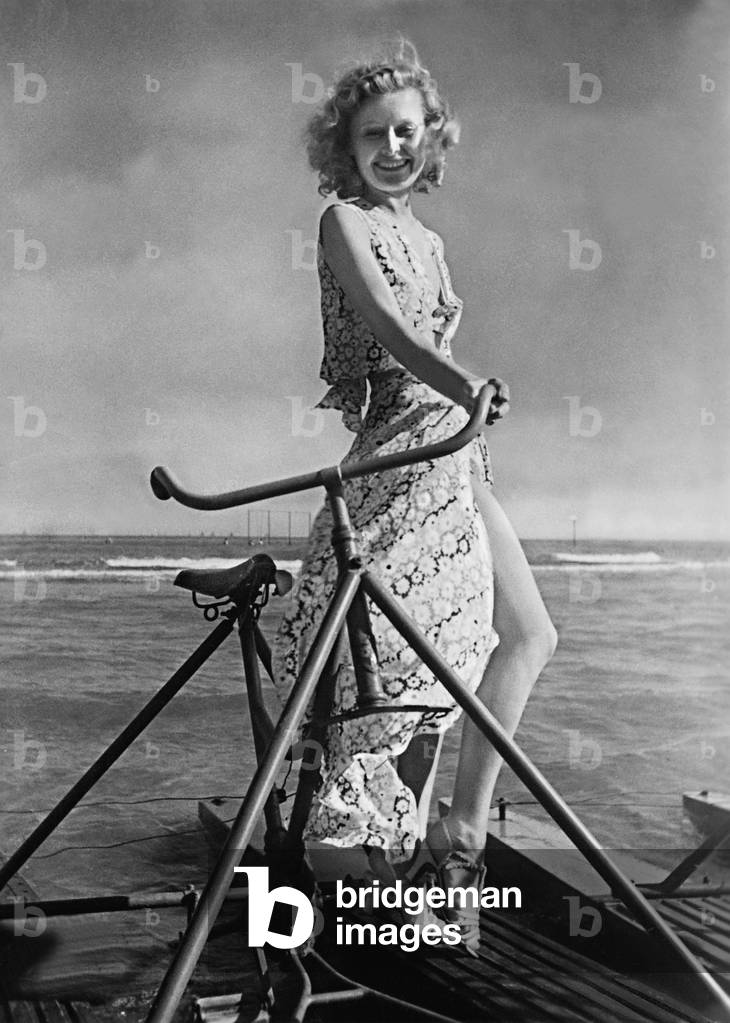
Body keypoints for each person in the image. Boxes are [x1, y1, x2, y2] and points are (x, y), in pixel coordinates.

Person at [271, 39, 557, 955]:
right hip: (401, 456)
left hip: (459, 457)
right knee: (403, 678)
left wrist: (470, 408)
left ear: (430, 139)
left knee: (527, 636)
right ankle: (391, 881)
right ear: (342, 146)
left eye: (407, 131)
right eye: (371, 135)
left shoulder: (429, 238)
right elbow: (391, 334)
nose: (391, 148)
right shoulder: (340, 221)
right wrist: (466, 379)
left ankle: (457, 842)